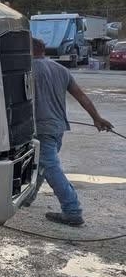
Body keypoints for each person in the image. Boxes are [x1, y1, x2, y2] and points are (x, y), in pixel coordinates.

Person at [30, 36, 113, 226]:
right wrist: (96, 118)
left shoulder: (28, 70)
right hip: (58, 128)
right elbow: (82, 96)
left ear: (29, 50)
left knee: (50, 167)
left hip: (41, 128)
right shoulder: (61, 69)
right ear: (43, 50)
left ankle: (72, 210)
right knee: (43, 165)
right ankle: (28, 198)